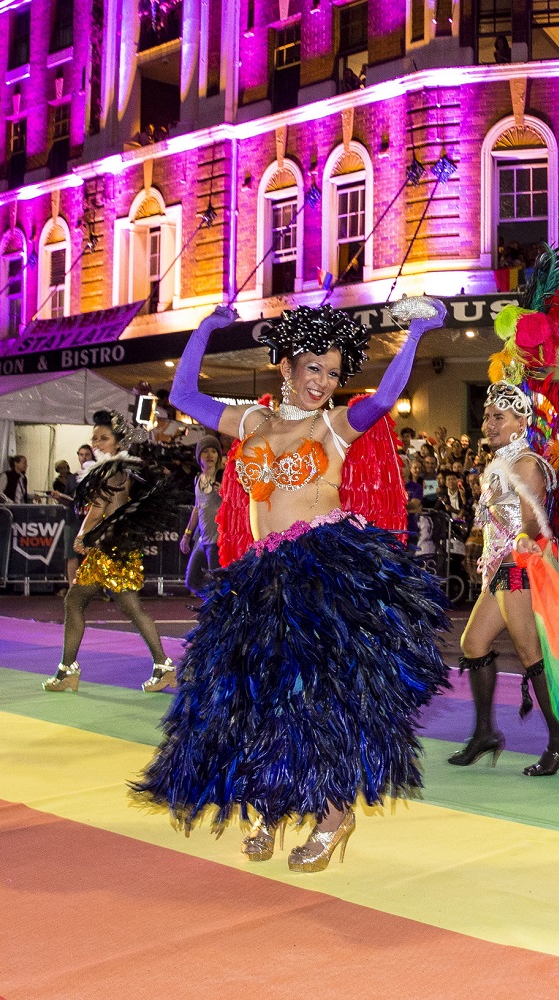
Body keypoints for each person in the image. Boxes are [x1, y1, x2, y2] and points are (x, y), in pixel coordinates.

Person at [134, 299, 451, 873]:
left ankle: (333, 816)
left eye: (333, 373)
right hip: (262, 576)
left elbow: (384, 398)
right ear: (286, 366)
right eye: (314, 369)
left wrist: (415, 334)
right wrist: (203, 331)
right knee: (254, 695)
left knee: (320, 699)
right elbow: (183, 394)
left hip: (321, 571)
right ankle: (271, 803)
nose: (323, 382)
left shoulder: (332, 425)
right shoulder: (252, 423)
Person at [451, 381, 559, 773]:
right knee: (473, 642)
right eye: (487, 417)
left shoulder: (527, 464)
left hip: (516, 567)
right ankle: (485, 733)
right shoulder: (498, 464)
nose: (489, 424)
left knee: (529, 651)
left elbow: (531, 519)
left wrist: (520, 537)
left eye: (498, 417)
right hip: (498, 567)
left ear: (521, 423)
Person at [43, 411, 184, 694]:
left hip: (111, 550)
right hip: (113, 548)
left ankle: (69, 670)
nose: (97, 443)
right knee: (108, 605)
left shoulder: (112, 470)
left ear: (118, 442)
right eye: (95, 437)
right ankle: (161, 666)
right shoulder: (117, 468)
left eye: (103, 438)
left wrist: (82, 535)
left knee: (84, 602)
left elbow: (98, 510)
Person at [179, 437, 223, 597]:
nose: (210, 455)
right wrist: (187, 535)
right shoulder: (198, 478)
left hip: (218, 539)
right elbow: (197, 508)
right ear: (199, 456)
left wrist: (225, 493)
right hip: (202, 539)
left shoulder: (223, 476)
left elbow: (238, 503)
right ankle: (215, 601)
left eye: (213, 451)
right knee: (191, 581)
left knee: (218, 581)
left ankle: (219, 604)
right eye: (205, 451)